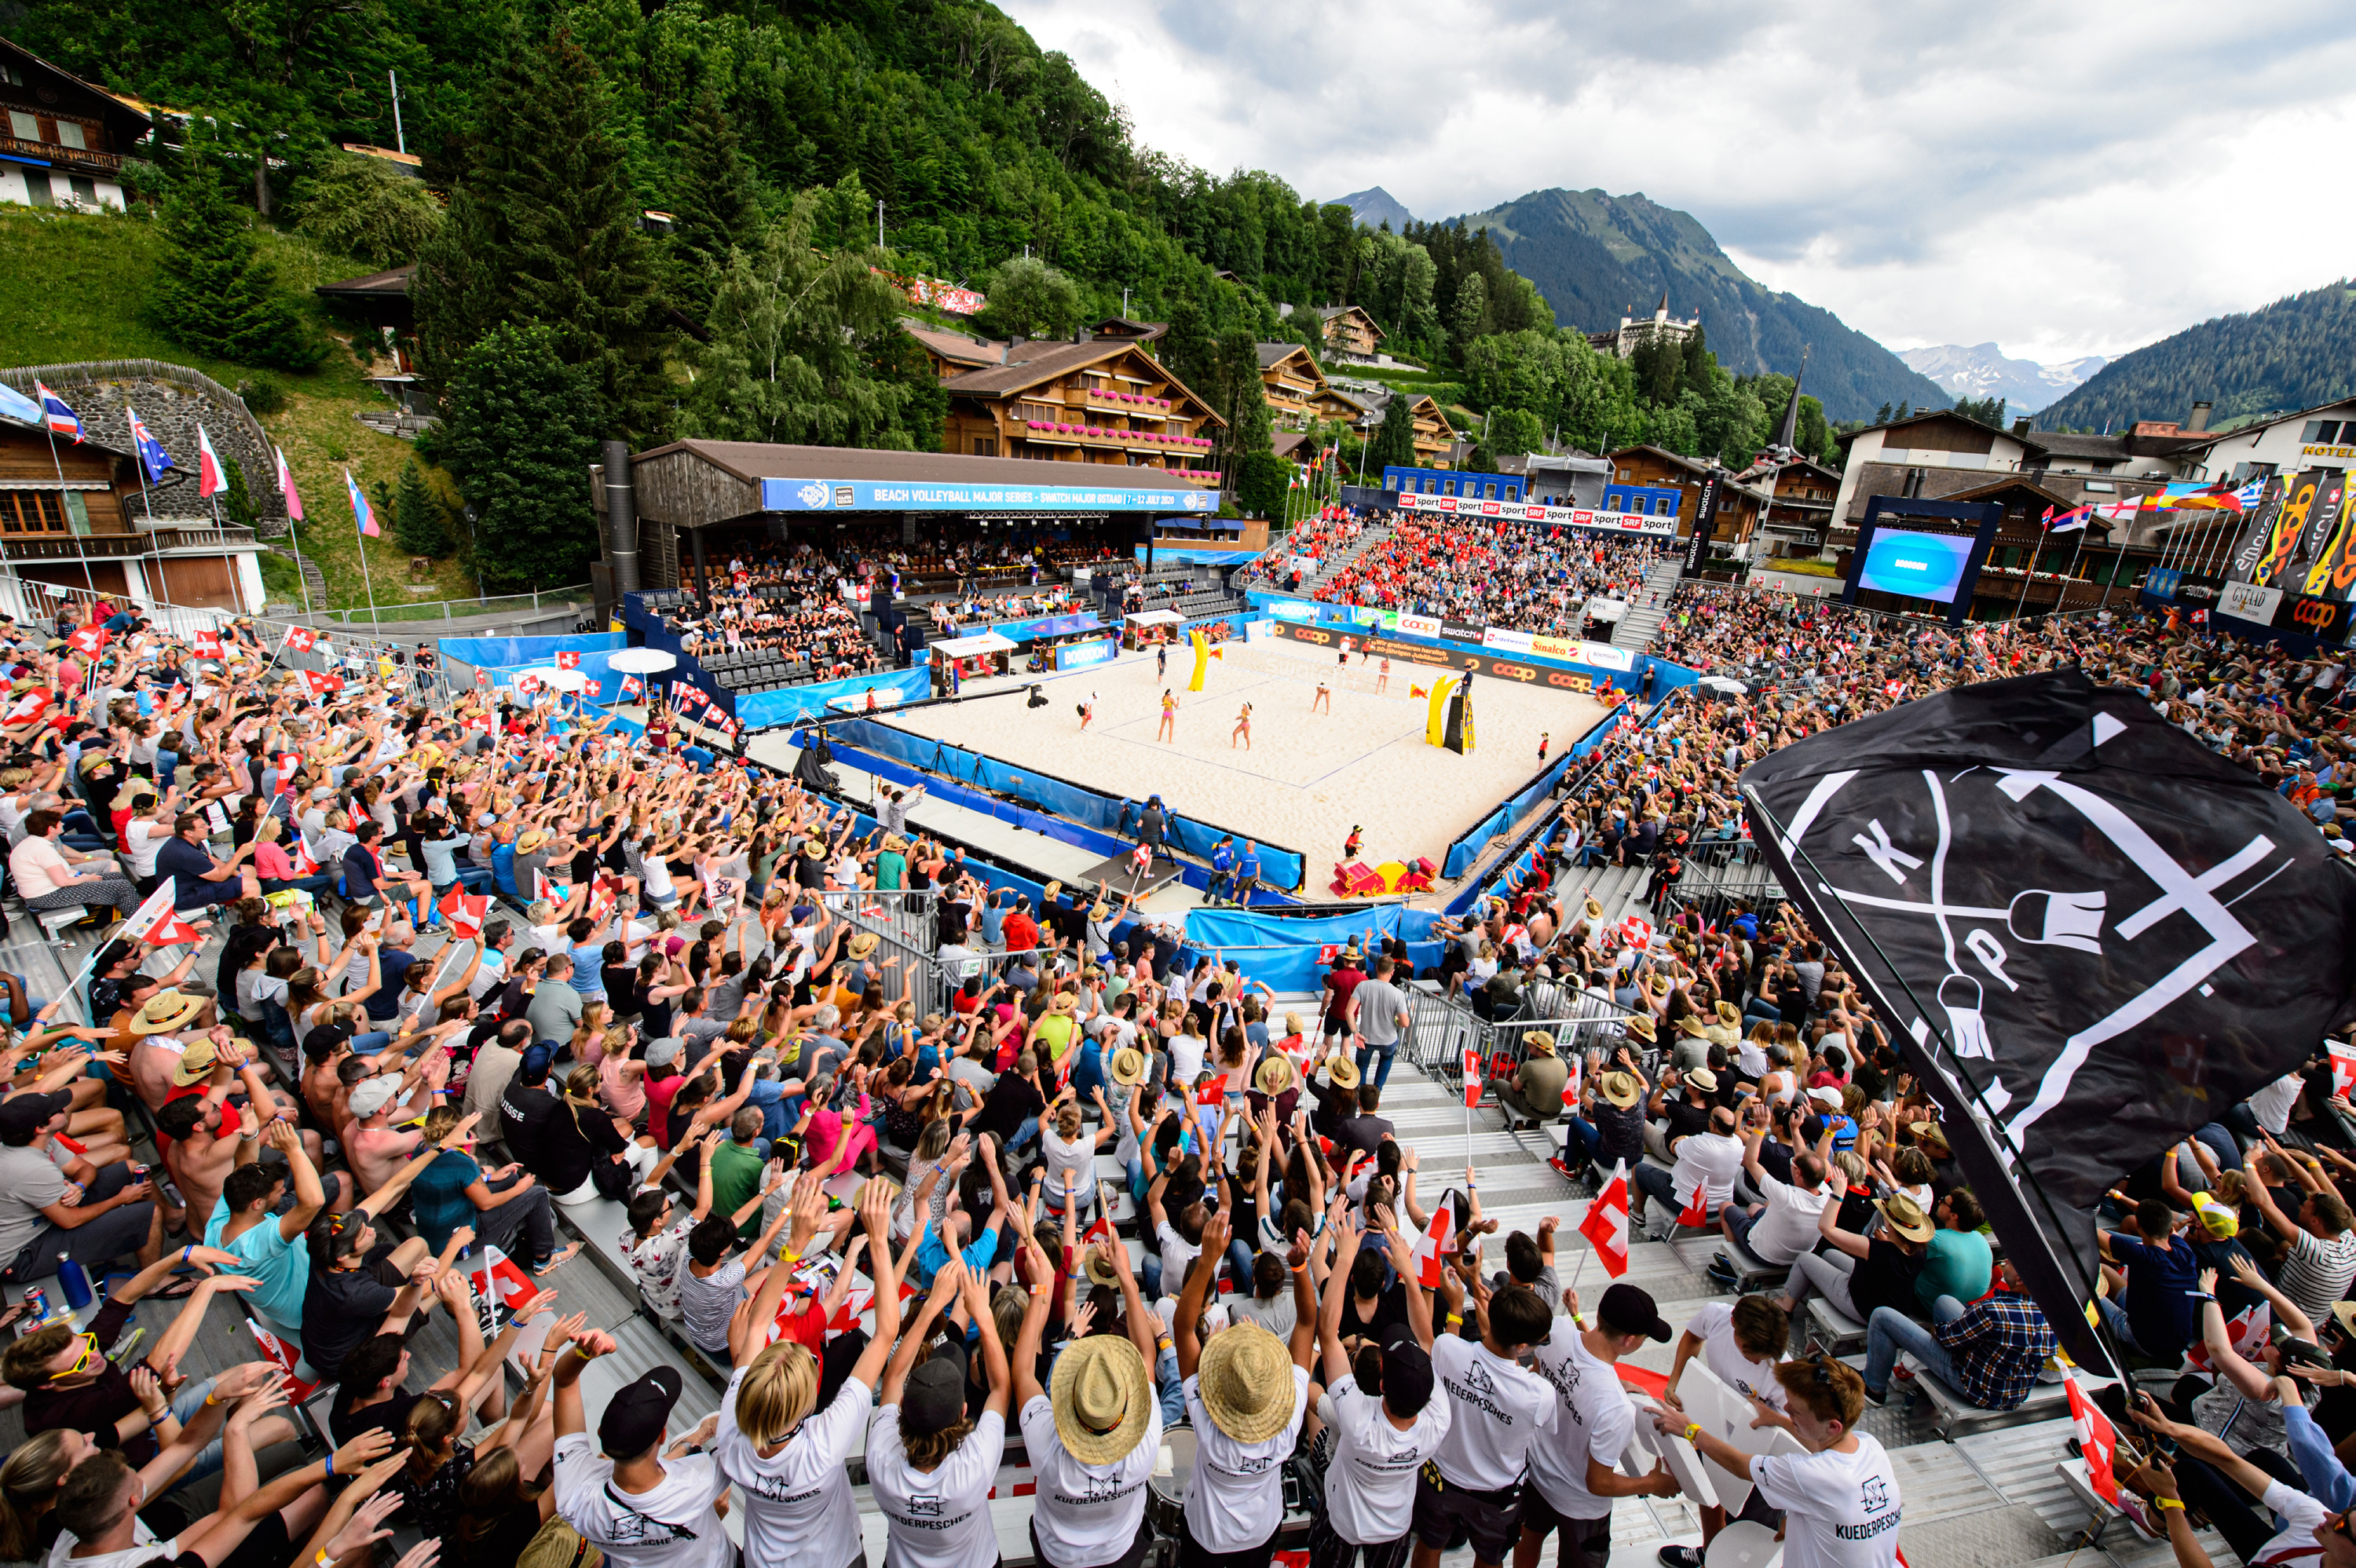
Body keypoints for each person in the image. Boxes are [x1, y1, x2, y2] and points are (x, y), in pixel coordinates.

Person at [712, 1180, 900, 1568]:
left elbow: (761, 1316)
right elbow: (885, 1335)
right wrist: (877, 1242)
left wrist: (794, 1245)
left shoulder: (731, 1432)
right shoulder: (824, 1444)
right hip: (836, 1558)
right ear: (807, 1402)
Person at [1655, 1354, 1903, 1568]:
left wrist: (1691, 1430)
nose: (1786, 1408)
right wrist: (1779, 1419)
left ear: (1834, 1426)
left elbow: (1740, 1465)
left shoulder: (1807, 1474)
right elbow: (1820, 1446)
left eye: (1795, 1411)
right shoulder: (1871, 1447)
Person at [1174, 1212, 1314, 1568]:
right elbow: (1308, 1323)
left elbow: (1183, 1327)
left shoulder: (1207, 1422)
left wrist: (1208, 1260)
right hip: (1262, 1531)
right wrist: (1299, 1270)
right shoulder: (1288, 1424)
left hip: (1207, 1534)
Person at [1312, 1215, 1447, 1568]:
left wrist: (1343, 1259)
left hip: (1343, 1521)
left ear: (1382, 1386)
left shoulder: (1358, 1420)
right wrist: (1410, 1276)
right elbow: (1428, 1339)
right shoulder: (1438, 1420)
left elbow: (1327, 1334)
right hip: (1395, 1525)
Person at [1519, 1281, 1679, 1568]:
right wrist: (1653, 1483)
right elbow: (1599, 1482)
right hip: (1580, 1507)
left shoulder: (1557, 1329)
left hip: (1536, 1471)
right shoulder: (1616, 1408)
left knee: (1528, 1538)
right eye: (1644, 1337)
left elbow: (1541, 1378)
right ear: (1629, 1340)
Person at [869, 1254, 1011, 1568]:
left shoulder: (881, 1460)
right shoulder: (973, 1468)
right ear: (963, 1413)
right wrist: (983, 1316)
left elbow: (893, 1375)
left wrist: (933, 1304)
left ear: (903, 1408)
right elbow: (1001, 1389)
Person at [551, 1328, 734, 1568]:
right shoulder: (697, 1481)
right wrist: (582, 1353)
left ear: (601, 1433)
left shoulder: (575, 1500)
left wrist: (581, 1355)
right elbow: (745, 1443)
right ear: (662, 1436)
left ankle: (686, 1448)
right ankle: (689, 1446)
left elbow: (564, 1383)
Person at [1655, 1295, 1790, 1566]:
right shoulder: (1716, 1315)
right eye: (1754, 1356)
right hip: (1716, 1424)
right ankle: (1709, 1552)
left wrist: (1775, 1418)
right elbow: (1693, 1336)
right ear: (1733, 1326)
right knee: (1710, 1488)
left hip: (1762, 1456)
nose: (1759, 1362)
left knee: (1749, 1528)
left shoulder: (1782, 1372)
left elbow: (1804, 1436)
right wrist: (1675, 1380)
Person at [1860, 1256, 2055, 1411]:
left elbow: (1947, 1338)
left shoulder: (1994, 1310)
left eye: (2010, 1261)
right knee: (1945, 1301)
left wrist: (1939, 1331)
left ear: (2020, 1279)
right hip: (2012, 1393)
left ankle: (1874, 1388)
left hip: (1975, 1388)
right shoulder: (2052, 1317)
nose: (2004, 1262)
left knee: (1882, 1315)